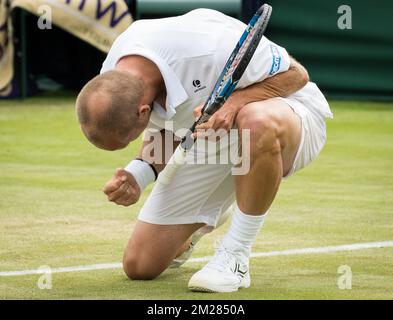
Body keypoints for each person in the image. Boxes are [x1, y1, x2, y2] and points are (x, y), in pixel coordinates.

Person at [75, 8, 333, 293]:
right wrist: (138, 173)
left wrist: (235, 103)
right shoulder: (114, 77)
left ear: (143, 111)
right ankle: (207, 216)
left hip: (290, 115)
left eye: (127, 139)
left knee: (255, 119)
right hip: (210, 135)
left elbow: (297, 75)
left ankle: (235, 256)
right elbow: (172, 128)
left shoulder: (210, 49)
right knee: (140, 265)